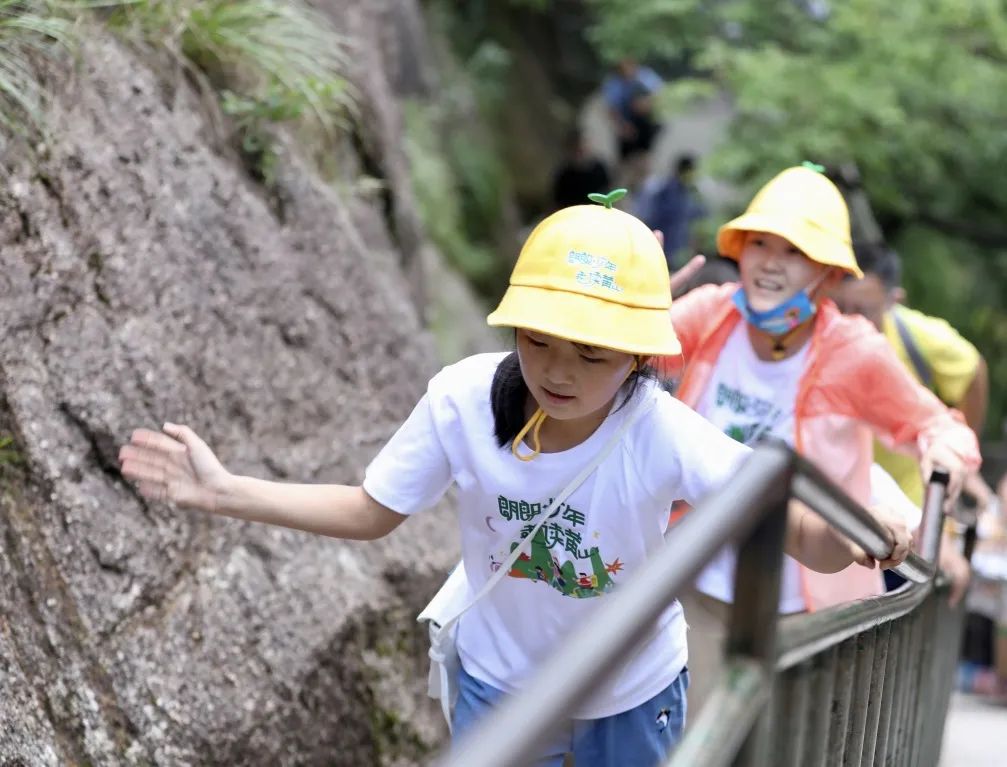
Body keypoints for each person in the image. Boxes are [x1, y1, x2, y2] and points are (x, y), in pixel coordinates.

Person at [119, 192, 911, 766]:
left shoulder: (662, 432)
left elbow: (798, 532)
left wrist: (856, 524)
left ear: (641, 356)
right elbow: (369, 509)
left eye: (591, 353)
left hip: (629, 691)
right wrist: (222, 490)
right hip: (498, 680)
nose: (557, 371)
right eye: (537, 341)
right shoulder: (464, 399)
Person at [655, 164, 981, 719]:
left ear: (828, 274)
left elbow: (937, 425)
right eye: (760, 243)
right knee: (695, 740)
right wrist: (631, 313)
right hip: (698, 579)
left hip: (806, 602)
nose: (771, 263)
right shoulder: (713, 313)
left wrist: (943, 456)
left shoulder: (851, 350)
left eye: (794, 251)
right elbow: (623, 362)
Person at [832, 241, 989, 604]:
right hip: (841, 495)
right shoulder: (823, 337)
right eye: (842, 306)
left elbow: (973, 369)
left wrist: (966, 452)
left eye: (864, 310)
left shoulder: (920, 338)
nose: (850, 319)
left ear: (892, 301)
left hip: (903, 500)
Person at [636, 154, 708, 270]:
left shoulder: (694, 194)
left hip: (681, 253)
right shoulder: (660, 191)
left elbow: (700, 224)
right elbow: (645, 218)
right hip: (659, 246)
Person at [601, 59, 663, 189]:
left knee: (644, 163)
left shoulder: (646, 77)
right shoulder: (614, 84)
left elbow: (659, 95)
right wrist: (623, 126)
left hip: (645, 126)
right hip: (626, 128)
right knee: (625, 166)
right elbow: (611, 109)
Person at [552, 128, 612, 211]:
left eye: (583, 148)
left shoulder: (599, 169)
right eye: (576, 149)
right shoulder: (564, 175)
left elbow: (608, 192)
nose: (580, 152)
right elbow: (557, 203)